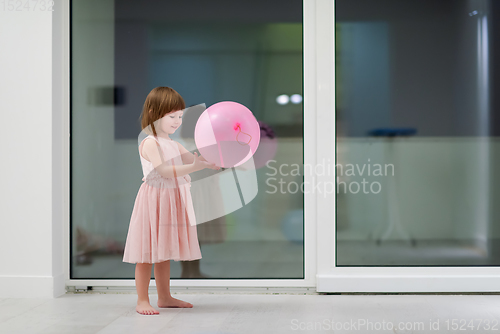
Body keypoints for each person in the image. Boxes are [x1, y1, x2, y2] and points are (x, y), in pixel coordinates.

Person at [122, 87, 219, 315]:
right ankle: (142, 300)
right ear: (155, 113)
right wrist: (195, 166)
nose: (177, 121)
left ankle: (164, 297)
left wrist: (208, 162)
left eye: (180, 117)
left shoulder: (173, 144)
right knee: (147, 253)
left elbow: (193, 158)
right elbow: (165, 170)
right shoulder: (150, 143)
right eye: (172, 116)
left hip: (171, 200)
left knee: (163, 251)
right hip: (154, 199)